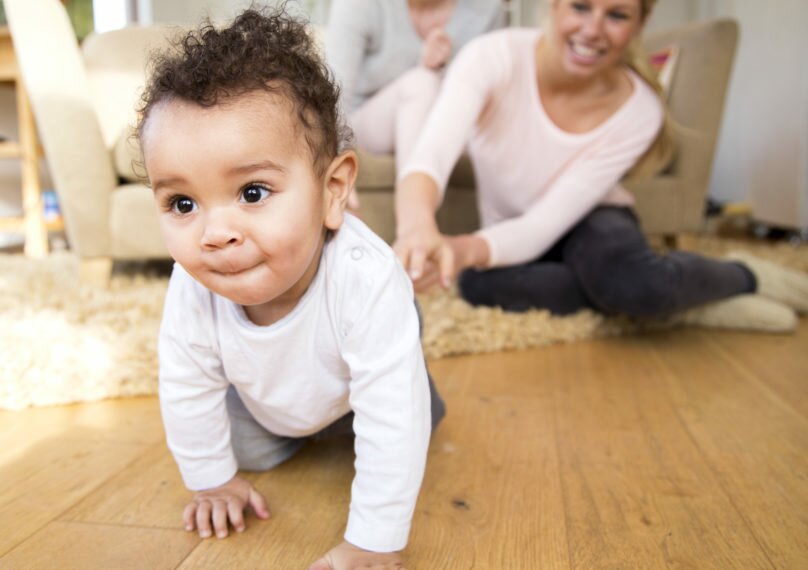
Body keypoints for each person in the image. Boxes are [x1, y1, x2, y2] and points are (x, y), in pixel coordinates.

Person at [136, 9, 445, 570]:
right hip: (273, 396)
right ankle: (306, 425)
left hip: (357, 374)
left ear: (333, 191)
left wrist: (373, 542)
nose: (216, 234)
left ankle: (405, 385)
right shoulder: (193, 283)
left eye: (252, 192)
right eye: (183, 204)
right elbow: (186, 382)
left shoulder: (364, 275)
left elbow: (393, 424)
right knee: (240, 450)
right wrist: (212, 482)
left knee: (402, 419)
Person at [392, 0, 808, 330]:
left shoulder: (641, 112)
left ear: (639, 25)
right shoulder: (492, 56)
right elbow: (430, 158)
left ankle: (744, 276)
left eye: (617, 15)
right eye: (580, 6)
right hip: (512, 227)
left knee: (628, 280)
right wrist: (420, 230)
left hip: (595, 218)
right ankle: (673, 303)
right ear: (554, 5)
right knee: (477, 282)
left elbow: (545, 224)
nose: (592, 29)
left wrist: (459, 246)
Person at [325, 0, 505, 201]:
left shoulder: (487, 10)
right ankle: (413, 219)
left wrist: (441, 68)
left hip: (445, 122)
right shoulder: (359, 5)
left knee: (427, 84)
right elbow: (334, 97)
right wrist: (336, 170)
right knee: (421, 83)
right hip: (367, 121)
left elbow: (489, 102)